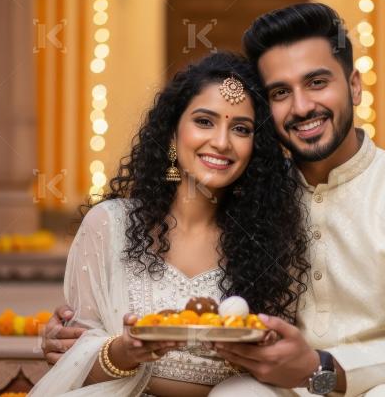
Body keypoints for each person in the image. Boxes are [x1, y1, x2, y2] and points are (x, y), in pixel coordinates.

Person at [43, 3, 385, 397]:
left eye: (317, 83)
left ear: (355, 86)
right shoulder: (257, 197)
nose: (302, 106)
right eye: (280, 92)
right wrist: (83, 344)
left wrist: (321, 368)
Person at [28, 52, 310, 396]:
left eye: (240, 129)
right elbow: (70, 359)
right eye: (204, 122)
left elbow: (288, 361)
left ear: (256, 149)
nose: (221, 142)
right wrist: (126, 350)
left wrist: (247, 354)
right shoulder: (109, 226)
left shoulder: (271, 239)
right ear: (173, 135)